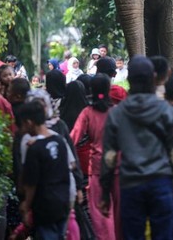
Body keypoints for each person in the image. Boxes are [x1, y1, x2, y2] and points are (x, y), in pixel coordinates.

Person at [99, 56, 173, 240]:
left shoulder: (117, 114)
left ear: (129, 79)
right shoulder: (166, 111)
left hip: (131, 185)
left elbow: (109, 156)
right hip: (161, 182)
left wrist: (105, 191)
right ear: (153, 78)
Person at [17, 101, 77, 239]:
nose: (22, 129)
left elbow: (31, 183)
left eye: (23, 124)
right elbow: (69, 169)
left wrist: (26, 205)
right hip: (63, 201)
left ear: (29, 122)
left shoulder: (34, 148)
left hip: (44, 205)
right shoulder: (60, 141)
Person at [71, 74, 118, 240]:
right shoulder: (117, 112)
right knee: (118, 213)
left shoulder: (87, 113)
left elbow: (73, 138)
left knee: (100, 215)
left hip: (97, 170)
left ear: (91, 90)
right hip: (119, 169)